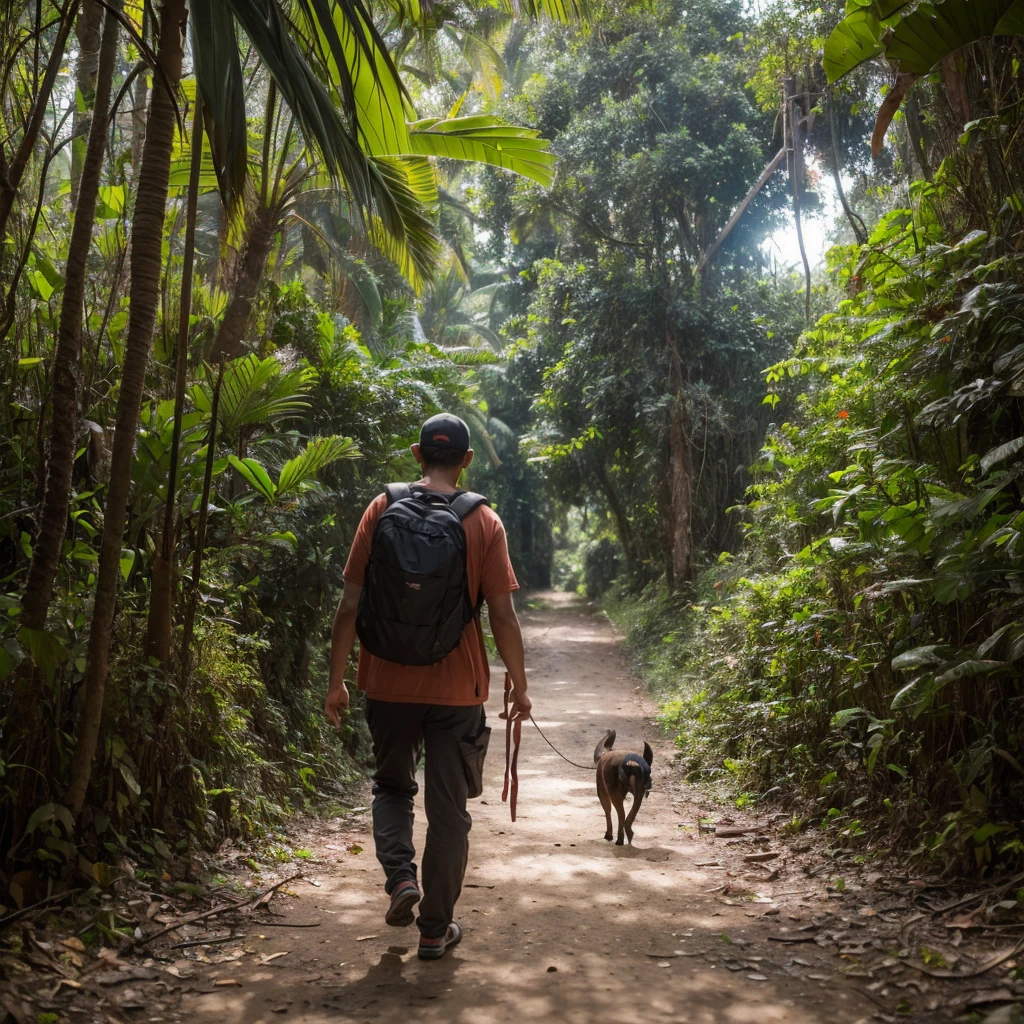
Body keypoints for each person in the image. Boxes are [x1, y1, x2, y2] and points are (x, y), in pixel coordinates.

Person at [324, 413, 531, 961]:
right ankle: (435, 929)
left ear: (418, 454)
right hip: (457, 690)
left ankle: (400, 881)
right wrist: (519, 683)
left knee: (391, 789)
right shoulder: (484, 522)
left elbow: (349, 605)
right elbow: (503, 617)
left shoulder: (380, 508)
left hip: (387, 681)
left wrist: (336, 683)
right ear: (467, 460)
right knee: (449, 813)